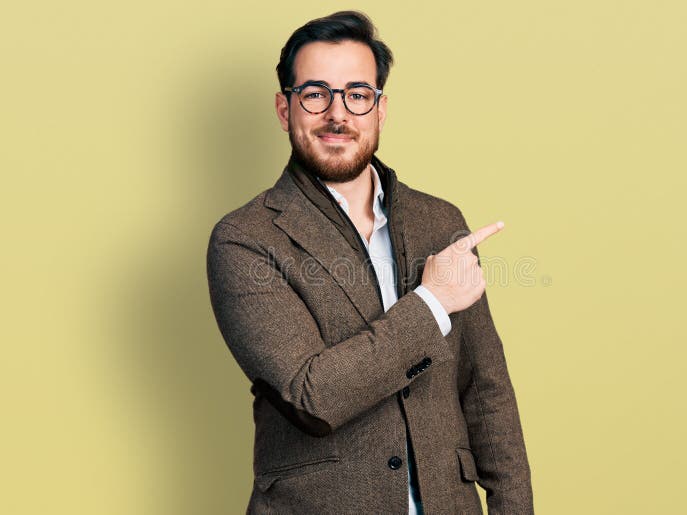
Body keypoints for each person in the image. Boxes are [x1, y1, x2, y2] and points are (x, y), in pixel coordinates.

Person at [206, 11, 534, 514]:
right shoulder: (245, 239)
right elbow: (311, 395)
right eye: (315, 94)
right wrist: (432, 302)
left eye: (357, 94)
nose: (337, 114)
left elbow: (487, 394)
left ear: (380, 110)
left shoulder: (439, 221)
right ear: (283, 108)